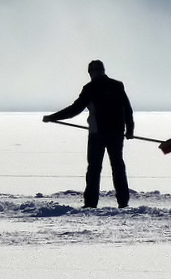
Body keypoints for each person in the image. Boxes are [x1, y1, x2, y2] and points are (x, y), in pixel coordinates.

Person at [43, 60, 134, 208]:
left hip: (97, 134)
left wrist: (52, 117)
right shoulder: (117, 85)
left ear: (91, 73)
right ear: (103, 70)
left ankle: (91, 203)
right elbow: (128, 109)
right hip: (116, 133)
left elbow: (75, 109)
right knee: (118, 167)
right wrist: (129, 130)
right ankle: (123, 202)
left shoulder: (90, 88)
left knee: (94, 169)